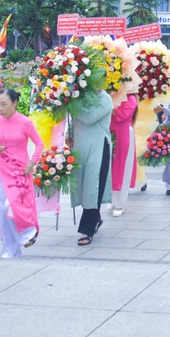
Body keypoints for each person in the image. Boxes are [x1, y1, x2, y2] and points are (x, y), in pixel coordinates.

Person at [0, 89, 42, 259]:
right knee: (3, 211)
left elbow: (39, 144)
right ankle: (10, 250)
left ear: (15, 103)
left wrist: (32, 162)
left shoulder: (25, 122)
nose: (1, 108)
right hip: (3, 170)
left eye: (4, 104)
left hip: (20, 171)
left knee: (11, 206)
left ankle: (28, 232)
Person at [70, 89, 113, 246]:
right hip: (81, 147)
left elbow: (89, 117)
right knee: (82, 187)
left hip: (98, 147)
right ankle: (96, 219)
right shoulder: (83, 96)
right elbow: (76, 120)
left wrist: (71, 104)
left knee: (92, 187)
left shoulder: (106, 99)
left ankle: (87, 230)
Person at [109, 94, 137, 217]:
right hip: (112, 133)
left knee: (123, 168)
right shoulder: (114, 95)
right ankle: (113, 200)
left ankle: (120, 203)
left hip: (124, 133)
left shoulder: (131, 99)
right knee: (112, 168)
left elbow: (120, 116)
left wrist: (110, 106)